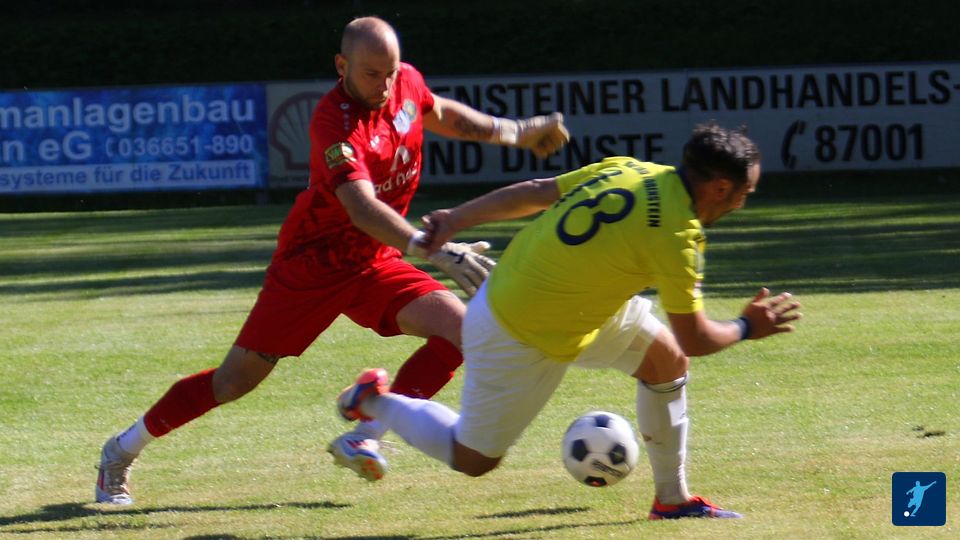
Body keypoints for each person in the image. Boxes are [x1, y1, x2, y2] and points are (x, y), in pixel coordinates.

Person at [95, 15, 570, 505]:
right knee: (232, 382)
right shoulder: (333, 123)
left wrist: (517, 131)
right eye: (371, 74)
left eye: (391, 72)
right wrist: (433, 248)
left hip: (375, 260)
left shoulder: (404, 83)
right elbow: (361, 207)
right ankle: (120, 451)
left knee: (464, 330)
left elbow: (441, 112)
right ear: (342, 66)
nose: (384, 85)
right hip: (312, 267)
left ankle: (365, 433)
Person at [335, 122, 802, 519]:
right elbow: (696, 337)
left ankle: (672, 500)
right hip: (516, 331)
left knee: (667, 362)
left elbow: (538, 192)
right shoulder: (678, 234)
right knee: (473, 459)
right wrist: (747, 326)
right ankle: (375, 401)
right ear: (720, 187)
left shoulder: (632, 169)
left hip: (566, 303)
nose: (741, 203)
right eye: (743, 193)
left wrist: (457, 217)